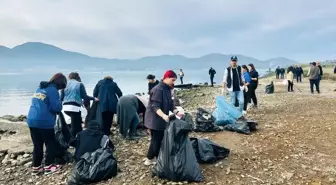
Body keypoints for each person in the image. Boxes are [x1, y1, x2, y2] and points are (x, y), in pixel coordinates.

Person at [27, 73, 67, 175]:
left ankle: (36, 167)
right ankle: (49, 166)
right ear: (60, 84)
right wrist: (60, 100)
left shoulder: (39, 88)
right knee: (50, 143)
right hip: (44, 121)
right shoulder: (53, 91)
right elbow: (56, 108)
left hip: (32, 120)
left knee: (37, 144)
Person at [144, 70, 178, 165]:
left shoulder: (167, 89)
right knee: (157, 138)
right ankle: (154, 159)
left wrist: (176, 111)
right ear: (166, 78)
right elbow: (155, 106)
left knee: (157, 138)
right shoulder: (158, 90)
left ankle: (151, 158)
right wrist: (164, 115)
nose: (173, 82)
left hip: (161, 118)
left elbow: (170, 103)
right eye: (173, 80)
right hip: (154, 118)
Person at [61, 72, 98, 137]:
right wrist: (94, 98)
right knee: (74, 126)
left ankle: (80, 138)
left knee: (77, 123)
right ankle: (71, 140)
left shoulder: (65, 84)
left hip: (65, 108)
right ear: (77, 77)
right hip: (74, 107)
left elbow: (61, 98)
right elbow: (84, 97)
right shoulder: (79, 84)